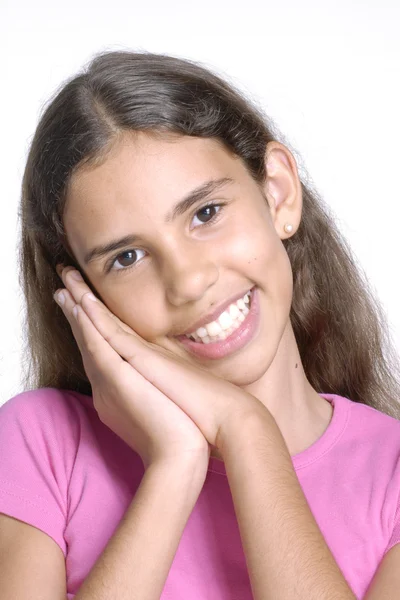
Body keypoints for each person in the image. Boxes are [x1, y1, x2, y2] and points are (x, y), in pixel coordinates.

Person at [1, 50, 400, 600]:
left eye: (205, 213)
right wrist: (174, 466)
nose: (187, 281)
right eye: (126, 258)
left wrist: (248, 433)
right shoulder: (42, 444)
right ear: (83, 296)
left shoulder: (394, 476)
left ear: (277, 192)